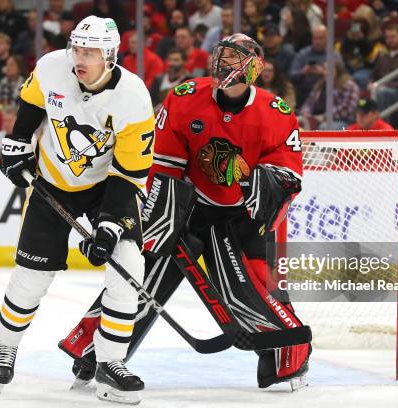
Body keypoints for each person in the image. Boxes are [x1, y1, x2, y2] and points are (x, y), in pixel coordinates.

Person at [62, 32, 311, 392]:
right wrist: (164, 219)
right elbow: (162, 165)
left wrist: (257, 183)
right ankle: (93, 351)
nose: (222, 64)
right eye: (220, 56)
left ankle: (289, 355)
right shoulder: (185, 98)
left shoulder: (276, 113)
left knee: (255, 286)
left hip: (242, 217)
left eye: (233, 59)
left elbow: (287, 177)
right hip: (187, 207)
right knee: (141, 273)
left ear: (253, 69)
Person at [0, 16, 154, 405]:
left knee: (128, 264)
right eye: (76, 48)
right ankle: (5, 346)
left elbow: (129, 172)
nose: (79, 57)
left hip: (106, 189)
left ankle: (111, 364)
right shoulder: (51, 66)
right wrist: (17, 144)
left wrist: (109, 227)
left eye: (90, 51)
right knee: (31, 276)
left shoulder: (133, 97)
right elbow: (31, 104)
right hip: (51, 182)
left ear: (110, 56)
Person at [300, 61, 360, 130]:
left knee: (324, 127)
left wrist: (324, 116)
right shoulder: (320, 85)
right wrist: (306, 112)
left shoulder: (348, 85)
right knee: (299, 122)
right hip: (318, 118)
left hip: (342, 121)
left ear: (338, 71)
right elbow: (308, 103)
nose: (326, 72)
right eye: (325, 69)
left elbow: (346, 109)